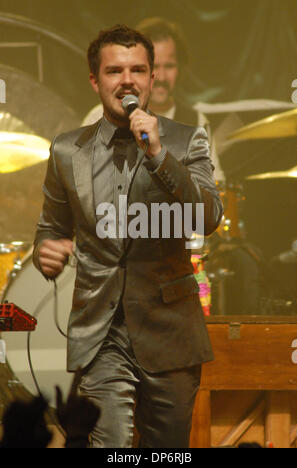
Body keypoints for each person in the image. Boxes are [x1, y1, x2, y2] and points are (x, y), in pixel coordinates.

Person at [33, 24, 223, 448]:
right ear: (95, 80)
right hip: (100, 331)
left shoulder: (186, 140)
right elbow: (51, 226)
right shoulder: (67, 151)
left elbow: (207, 217)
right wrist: (45, 250)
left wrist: (158, 155)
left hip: (169, 330)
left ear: (153, 77)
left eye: (138, 69)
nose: (127, 81)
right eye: (115, 71)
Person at [82, 17, 225, 182]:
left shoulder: (195, 122)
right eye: (155, 66)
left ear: (181, 68)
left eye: (169, 66)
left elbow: (215, 187)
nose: (162, 77)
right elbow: (80, 184)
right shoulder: (100, 116)